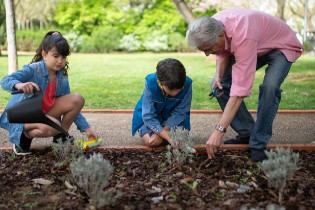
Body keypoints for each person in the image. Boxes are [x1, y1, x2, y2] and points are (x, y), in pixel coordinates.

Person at [186, 8, 303, 162]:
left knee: (270, 87)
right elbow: (222, 51)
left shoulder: (243, 34)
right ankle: (247, 132)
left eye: (208, 49)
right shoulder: (212, 25)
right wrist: (218, 75)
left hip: (281, 46)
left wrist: (219, 130)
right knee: (217, 85)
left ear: (221, 35)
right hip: (256, 43)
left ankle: (258, 143)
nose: (207, 54)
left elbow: (239, 91)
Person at [0, 31, 98, 155]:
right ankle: (22, 137)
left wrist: (87, 129)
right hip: (22, 115)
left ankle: (61, 137)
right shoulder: (33, 70)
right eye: (56, 56)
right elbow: (4, 81)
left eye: (63, 57)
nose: (60, 61)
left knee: (77, 99)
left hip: (44, 112)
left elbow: (71, 106)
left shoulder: (61, 77)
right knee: (53, 126)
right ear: (44, 54)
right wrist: (19, 84)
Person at [132, 58, 193, 147]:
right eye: (171, 90)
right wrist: (168, 137)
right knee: (151, 142)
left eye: (179, 89)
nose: (175, 93)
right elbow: (148, 116)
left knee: (180, 141)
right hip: (150, 117)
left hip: (175, 118)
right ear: (160, 82)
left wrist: (160, 133)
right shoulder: (150, 83)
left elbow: (181, 112)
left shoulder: (187, 84)